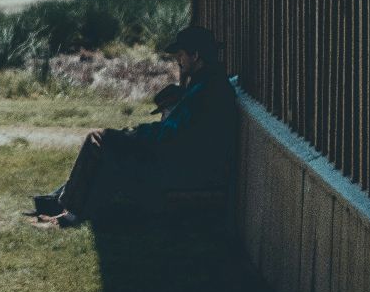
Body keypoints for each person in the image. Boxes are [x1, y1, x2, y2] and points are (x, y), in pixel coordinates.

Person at [33, 25, 238, 228]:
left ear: (195, 55)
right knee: (109, 147)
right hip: (185, 164)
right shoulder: (209, 85)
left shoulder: (206, 91)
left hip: (183, 171)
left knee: (98, 139)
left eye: (181, 54)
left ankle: (66, 210)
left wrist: (137, 134)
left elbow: (172, 134)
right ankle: (67, 209)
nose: (178, 60)